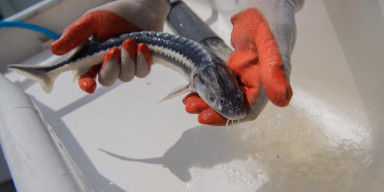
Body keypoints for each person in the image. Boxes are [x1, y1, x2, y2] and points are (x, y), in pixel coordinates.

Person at [50, 0, 304, 126]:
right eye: (219, 101)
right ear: (196, 83)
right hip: (131, 37)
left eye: (223, 100)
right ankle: (53, 72)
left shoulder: (208, 74)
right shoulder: (202, 76)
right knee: (110, 52)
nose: (231, 111)